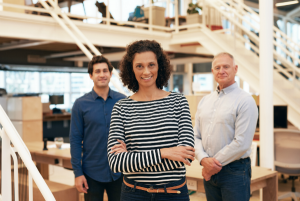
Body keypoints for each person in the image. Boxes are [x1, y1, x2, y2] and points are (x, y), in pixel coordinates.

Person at [107, 40, 195, 201]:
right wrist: (166, 152)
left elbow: (186, 156)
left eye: (151, 65)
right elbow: (116, 163)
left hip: (173, 194)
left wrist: (133, 158)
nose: (146, 71)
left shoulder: (178, 101)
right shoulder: (121, 108)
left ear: (159, 66)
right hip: (134, 194)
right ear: (131, 69)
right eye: (139, 66)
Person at [194, 52, 258, 201]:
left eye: (226, 67)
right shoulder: (204, 101)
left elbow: (241, 143)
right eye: (217, 67)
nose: (221, 70)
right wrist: (204, 160)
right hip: (208, 167)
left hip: (234, 171)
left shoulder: (245, 101)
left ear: (235, 69)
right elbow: (195, 136)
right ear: (212, 72)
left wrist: (211, 165)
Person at [70, 55, 126, 201]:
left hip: (120, 171)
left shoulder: (123, 101)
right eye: (97, 71)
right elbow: (75, 139)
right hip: (91, 173)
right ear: (91, 76)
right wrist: (78, 173)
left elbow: (131, 133)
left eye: (105, 71)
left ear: (110, 73)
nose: (102, 75)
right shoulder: (80, 104)